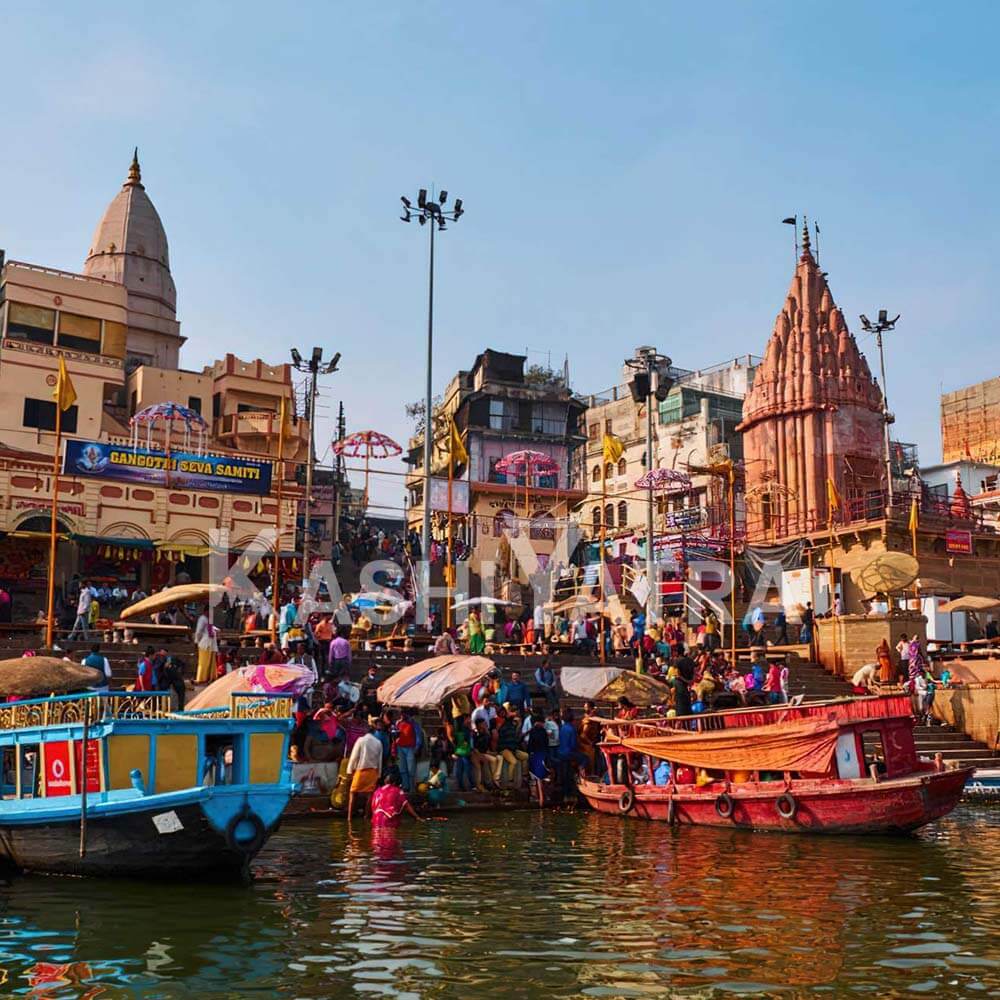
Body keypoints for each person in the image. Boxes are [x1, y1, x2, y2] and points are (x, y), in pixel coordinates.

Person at [346, 723, 384, 818]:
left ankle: (349, 817)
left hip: (361, 770)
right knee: (369, 795)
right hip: (373, 772)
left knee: (353, 793)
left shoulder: (361, 740)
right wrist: (379, 774)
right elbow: (380, 760)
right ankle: (366, 815)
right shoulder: (378, 742)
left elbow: (354, 757)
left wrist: (349, 770)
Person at [495, 710, 528, 788]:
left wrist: (519, 726)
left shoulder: (513, 728)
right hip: (504, 749)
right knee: (514, 762)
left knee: (526, 756)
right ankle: (509, 780)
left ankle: (524, 776)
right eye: (514, 721)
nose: (515, 722)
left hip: (513, 749)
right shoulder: (505, 726)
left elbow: (516, 739)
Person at [526, 712, 551, 807]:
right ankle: (543, 798)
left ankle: (540, 799)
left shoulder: (533, 732)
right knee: (543, 779)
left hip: (536, 756)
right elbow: (546, 745)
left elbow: (530, 746)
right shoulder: (543, 731)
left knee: (538, 779)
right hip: (542, 756)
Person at [194, 603, 218, 684]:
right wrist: (197, 641)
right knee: (203, 662)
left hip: (210, 644)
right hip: (204, 644)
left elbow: (210, 628)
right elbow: (198, 632)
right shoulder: (202, 619)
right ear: (206, 611)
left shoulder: (208, 619)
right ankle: (201, 679)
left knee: (210, 662)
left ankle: (210, 678)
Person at [395, 708, 418, 793]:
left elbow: (418, 735)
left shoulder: (413, 723)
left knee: (411, 769)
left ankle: (412, 788)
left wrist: (417, 747)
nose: (402, 715)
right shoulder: (398, 723)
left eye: (404, 713)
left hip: (410, 747)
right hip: (400, 747)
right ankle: (405, 787)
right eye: (401, 713)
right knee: (402, 769)